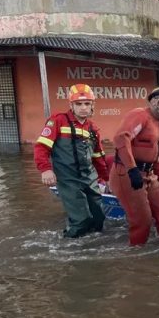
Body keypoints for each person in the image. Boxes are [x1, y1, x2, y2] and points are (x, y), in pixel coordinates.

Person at [34, 83, 109, 238]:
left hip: (90, 178)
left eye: (87, 104)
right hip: (68, 179)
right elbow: (41, 147)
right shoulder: (58, 121)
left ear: (92, 106)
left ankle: (94, 249)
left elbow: (98, 158)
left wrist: (107, 179)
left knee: (99, 218)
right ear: (71, 105)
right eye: (78, 104)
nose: (83, 108)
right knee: (81, 220)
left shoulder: (93, 129)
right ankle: (69, 247)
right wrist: (46, 169)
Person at [109, 85, 159, 246]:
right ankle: (137, 255)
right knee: (142, 220)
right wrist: (132, 169)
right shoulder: (140, 115)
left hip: (149, 174)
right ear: (154, 101)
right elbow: (121, 138)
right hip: (127, 173)